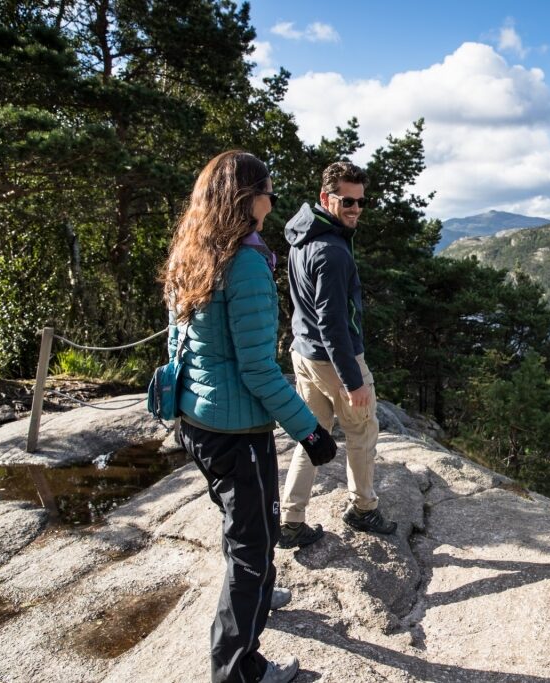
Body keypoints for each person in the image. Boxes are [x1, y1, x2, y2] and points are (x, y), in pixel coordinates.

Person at [162, 150, 337, 683]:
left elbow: (179, 341)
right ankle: (239, 671)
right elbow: (259, 370)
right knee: (254, 544)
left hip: (197, 420)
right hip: (237, 431)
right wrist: (310, 431)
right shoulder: (246, 264)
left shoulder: (192, 251)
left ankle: (257, 591)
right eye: (270, 192)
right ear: (249, 199)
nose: (273, 202)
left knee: (243, 530)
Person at [278, 160, 397, 547]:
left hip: (304, 353)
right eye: (347, 202)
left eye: (361, 202)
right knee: (362, 432)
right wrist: (353, 381)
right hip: (332, 359)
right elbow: (332, 323)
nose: (356, 210)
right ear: (325, 198)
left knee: (311, 435)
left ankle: (291, 520)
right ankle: (363, 509)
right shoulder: (332, 252)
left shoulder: (302, 236)